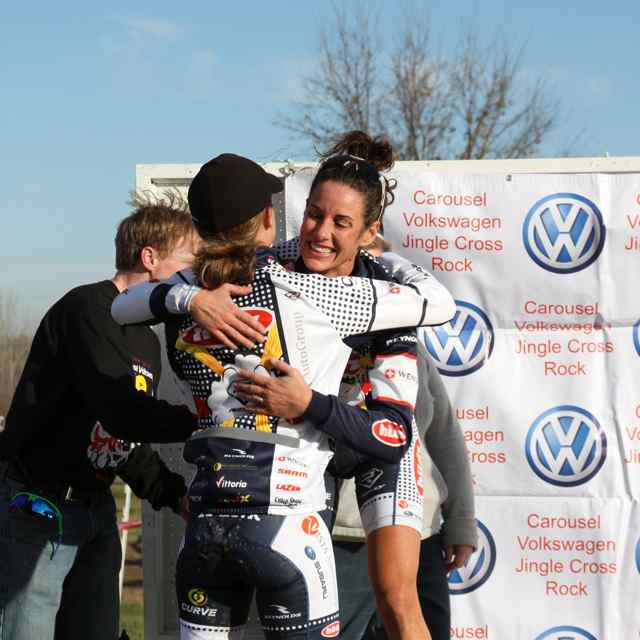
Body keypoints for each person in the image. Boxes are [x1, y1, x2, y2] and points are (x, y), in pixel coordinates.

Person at [110, 152, 455, 640]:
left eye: (341, 222)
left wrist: (308, 403)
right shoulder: (272, 266)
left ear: (368, 229)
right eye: (314, 214)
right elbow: (134, 303)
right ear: (287, 215)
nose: (320, 233)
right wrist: (194, 297)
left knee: (397, 598)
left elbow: (393, 434)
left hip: (367, 439)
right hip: (299, 457)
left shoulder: (378, 289)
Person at [0, 193, 211, 640]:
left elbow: (121, 442)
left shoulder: (147, 341)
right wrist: (208, 418)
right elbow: (123, 415)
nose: (195, 277)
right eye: (188, 262)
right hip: (40, 507)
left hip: (95, 511)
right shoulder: (87, 310)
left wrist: (173, 495)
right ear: (149, 257)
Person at [328, 235, 477, 640]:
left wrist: (461, 521)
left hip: (421, 534)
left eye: (385, 276)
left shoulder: (410, 347)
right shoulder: (318, 342)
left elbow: (442, 433)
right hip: (344, 539)